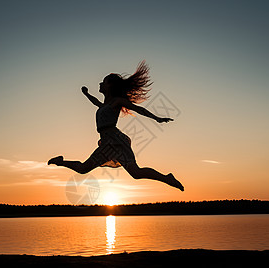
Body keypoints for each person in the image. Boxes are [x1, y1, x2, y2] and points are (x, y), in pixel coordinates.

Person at [48, 61, 184, 191]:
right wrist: (87, 94)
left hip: (115, 142)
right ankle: (60, 161)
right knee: (84, 168)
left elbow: (138, 109)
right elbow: (96, 102)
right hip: (107, 143)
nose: (100, 84)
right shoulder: (105, 105)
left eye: (104, 82)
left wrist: (157, 118)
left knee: (136, 172)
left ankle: (167, 178)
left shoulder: (117, 101)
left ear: (110, 87)